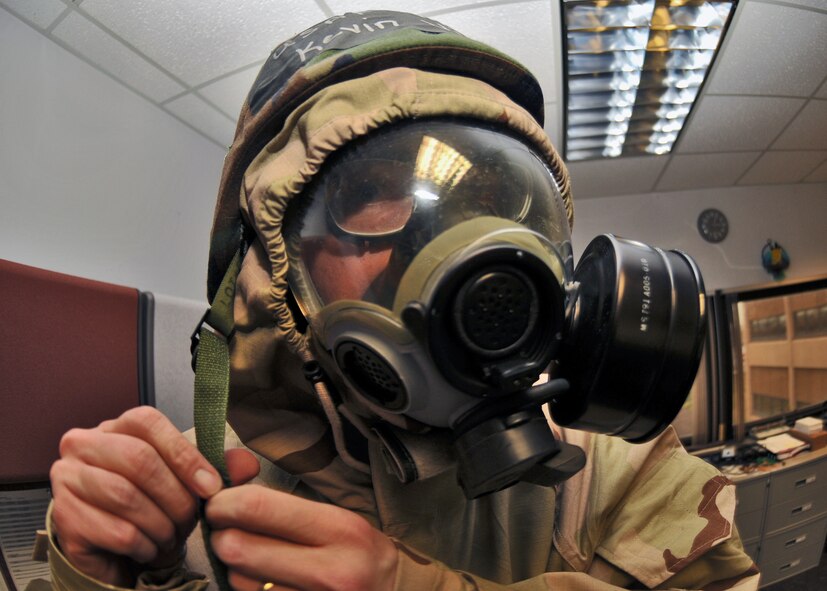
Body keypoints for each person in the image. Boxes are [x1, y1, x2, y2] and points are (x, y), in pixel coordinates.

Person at [46, 11, 760, 591]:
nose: (438, 237)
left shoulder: (615, 465)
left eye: (484, 195)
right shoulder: (212, 481)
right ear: (279, 279)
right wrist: (103, 571)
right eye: (369, 196)